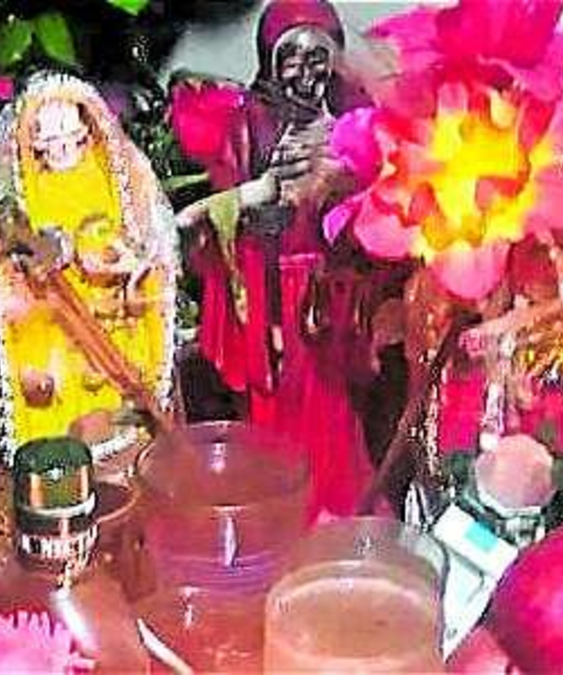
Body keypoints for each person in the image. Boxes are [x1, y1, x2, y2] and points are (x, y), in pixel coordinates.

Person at [171, 0, 374, 517]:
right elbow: (227, 207)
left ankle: (337, 499)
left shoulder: (353, 120)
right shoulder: (248, 123)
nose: (305, 72)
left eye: (317, 56)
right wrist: (263, 194)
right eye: (292, 57)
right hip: (270, 292)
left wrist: (342, 179)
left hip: (331, 294)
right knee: (273, 404)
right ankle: (281, 507)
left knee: (333, 402)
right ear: (270, 59)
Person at [0, 72, 179, 476]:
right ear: (31, 142)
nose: (62, 149)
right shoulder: (26, 191)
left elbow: (145, 240)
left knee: (122, 390)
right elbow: (8, 254)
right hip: (53, 312)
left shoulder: (115, 175)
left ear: (88, 129)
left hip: (113, 310)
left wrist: (131, 261)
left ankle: (128, 453)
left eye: (71, 136)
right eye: (49, 141)